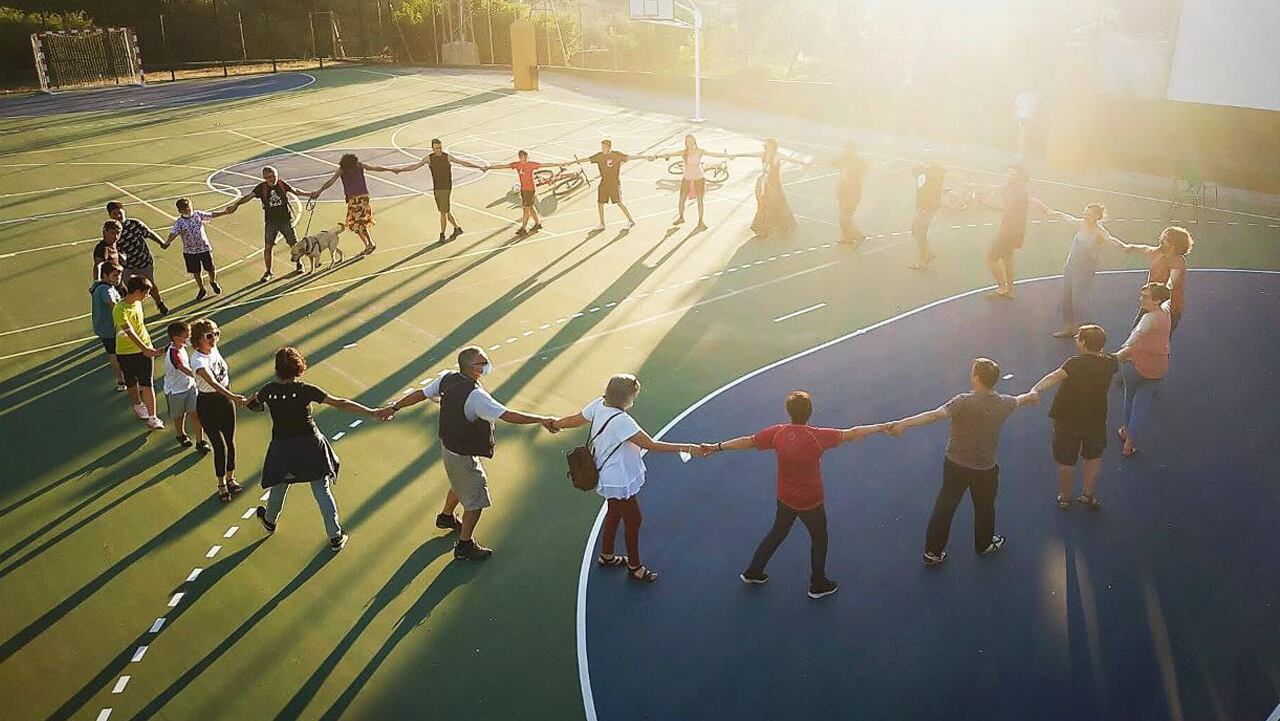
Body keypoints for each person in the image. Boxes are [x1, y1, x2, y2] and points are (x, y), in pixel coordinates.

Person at [378, 346, 560, 560]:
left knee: (459, 482)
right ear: (472, 368)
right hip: (461, 453)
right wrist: (541, 420)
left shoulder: (447, 378)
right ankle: (465, 546)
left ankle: (446, 517)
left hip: (449, 445)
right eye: (482, 363)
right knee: (476, 499)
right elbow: (507, 415)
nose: (486, 365)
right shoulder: (476, 396)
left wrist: (394, 407)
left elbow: (420, 394)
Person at [704, 390, 891, 599]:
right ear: (810, 412)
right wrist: (881, 427)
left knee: (778, 532)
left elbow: (748, 441)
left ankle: (753, 571)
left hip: (785, 497)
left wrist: (717, 447)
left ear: (789, 412)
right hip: (811, 500)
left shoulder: (778, 433)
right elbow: (853, 433)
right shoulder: (818, 436)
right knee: (819, 538)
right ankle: (818, 584)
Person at [550, 375, 707, 583]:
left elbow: (574, 420)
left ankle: (607, 556)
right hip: (618, 477)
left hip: (608, 473)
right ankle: (635, 567)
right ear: (627, 398)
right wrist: (688, 448)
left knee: (615, 511)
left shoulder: (599, 405)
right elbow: (650, 445)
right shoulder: (622, 421)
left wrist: (555, 424)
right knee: (634, 519)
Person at [888, 358, 1039, 565]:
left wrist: (903, 423)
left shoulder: (963, 401)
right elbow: (1020, 399)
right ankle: (984, 544)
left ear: (976, 378)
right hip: (984, 468)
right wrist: (1031, 396)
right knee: (985, 507)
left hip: (955, 464)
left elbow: (935, 415)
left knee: (945, 504)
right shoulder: (1005, 402)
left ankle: (933, 552)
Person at [250, 347, 383, 553]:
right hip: (310, 446)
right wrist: (371, 412)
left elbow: (252, 404)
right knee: (322, 489)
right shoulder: (305, 390)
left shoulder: (268, 391)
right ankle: (335, 536)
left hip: (283, 447)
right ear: (298, 368)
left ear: (277, 368)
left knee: (279, 485)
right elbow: (340, 403)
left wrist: (248, 400)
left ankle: (269, 520)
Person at [1029, 324, 1119, 509]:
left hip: (1067, 419)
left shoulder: (1074, 363)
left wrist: (1035, 389)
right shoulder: (1110, 363)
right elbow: (1122, 354)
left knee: (1066, 459)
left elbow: (1055, 376)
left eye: (1078, 337)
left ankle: (1065, 496)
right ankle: (1087, 493)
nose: (1076, 339)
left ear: (1084, 343)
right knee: (1093, 456)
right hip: (1096, 419)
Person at [1045, 203, 1130, 337]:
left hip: (1084, 270)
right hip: (1071, 266)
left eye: (1088, 214)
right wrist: (1057, 213)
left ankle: (1082, 330)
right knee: (1066, 296)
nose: (1085, 216)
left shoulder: (1099, 232)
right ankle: (1068, 327)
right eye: (1084, 213)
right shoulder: (1081, 224)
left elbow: (1111, 239)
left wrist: (1125, 246)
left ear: (1096, 216)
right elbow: (1069, 218)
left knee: (1078, 300)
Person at [224, 165, 319, 282]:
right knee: (268, 247)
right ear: (264, 178)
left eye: (273, 176)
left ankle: (299, 264)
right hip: (271, 222)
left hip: (285, 220)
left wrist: (310, 194)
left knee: (294, 244)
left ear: (277, 175)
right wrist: (236, 204)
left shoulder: (282, 184)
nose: (271, 179)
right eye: (268, 177)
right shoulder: (261, 188)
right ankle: (268, 271)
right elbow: (248, 197)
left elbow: (296, 191)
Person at [189, 318, 247, 501]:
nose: (214, 338)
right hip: (208, 404)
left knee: (230, 442)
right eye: (209, 335)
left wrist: (230, 397)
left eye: (216, 333)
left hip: (225, 402)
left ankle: (231, 478)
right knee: (219, 446)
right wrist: (234, 397)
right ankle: (221, 483)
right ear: (198, 339)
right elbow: (212, 383)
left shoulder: (213, 349)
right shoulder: (197, 360)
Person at [313, 153, 414, 255]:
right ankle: (368, 245)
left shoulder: (342, 170)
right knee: (357, 223)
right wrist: (391, 170)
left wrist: (319, 191)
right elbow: (376, 168)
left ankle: (370, 243)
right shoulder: (359, 166)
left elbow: (330, 182)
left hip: (355, 199)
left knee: (358, 223)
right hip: (363, 197)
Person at [1114, 283, 1172, 457]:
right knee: (1142, 404)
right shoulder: (1166, 312)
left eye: (1146, 297)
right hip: (1157, 367)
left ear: (1157, 300)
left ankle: (1125, 430)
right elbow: (1170, 290)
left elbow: (1136, 336)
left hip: (1134, 365)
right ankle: (1129, 444)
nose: (1141, 299)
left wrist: (1119, 353)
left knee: (1129, 396)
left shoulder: (1148, 318)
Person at [400, 139, 485, 243]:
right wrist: (401, 170)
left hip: (446, 188)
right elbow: (416, 166)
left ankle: (442, 234)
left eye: (440, 147)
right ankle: (457, 229)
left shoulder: (447, 156)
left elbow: (462, 162)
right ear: (432, 148)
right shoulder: (429, 158)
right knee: (445, 210)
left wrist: (479, 167)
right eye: (436, 148)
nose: (439, 150)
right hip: (437, 188)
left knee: (442, 213)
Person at [112, 275, 166, 429]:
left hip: (144, 350)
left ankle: (153, 417)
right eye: (145, 293)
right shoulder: (119, 309)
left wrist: (146, 349)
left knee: (147, 383)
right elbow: (129, 332)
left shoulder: (137, 303)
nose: (147, 296)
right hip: (126, 352)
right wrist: (145, 349)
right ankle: (137, 405)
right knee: (131, 382)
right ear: (136, 291)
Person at [1122, 226, 1193, 338]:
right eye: (1163, 236)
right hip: (1150, 302)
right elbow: (1145, 249)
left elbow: (1172, 281)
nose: (1161, 240)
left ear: (1174, 244)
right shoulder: (1158, 253)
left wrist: (1162, 292)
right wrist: (1131, 247)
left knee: (1158, 341)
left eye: (1166, 238)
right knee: (1136, 335)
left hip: (1168, 309)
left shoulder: (1178, 262)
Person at [657, 134, 733, 231]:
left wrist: (726, 155)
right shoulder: (684, 152)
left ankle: (701, 221)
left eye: (691, 141)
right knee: (681, 200)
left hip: (699, 179)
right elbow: (670, 154)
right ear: (686, 143)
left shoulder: (699, 151)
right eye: (688, 141)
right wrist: (656, 156)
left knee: (700, 201)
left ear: (694, 141)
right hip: (687, 179)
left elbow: (713, 154)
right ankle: (681, 217)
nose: (690, 143)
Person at [108, 201, 169, 315]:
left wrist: (161, 243)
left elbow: (149, 233)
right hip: (126, 266)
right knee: (127, 289)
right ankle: (131, 311)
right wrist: (121, 258)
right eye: (115, 214)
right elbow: (112, 247)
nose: (118, 216)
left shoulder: (134, 223)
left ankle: (159, 303)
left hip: (143, 261)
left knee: (149, 285)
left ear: (124, 211)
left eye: (120, 212)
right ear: (110, 215)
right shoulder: (112, 230)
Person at [166, 197, 230, 301]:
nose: (189, 210)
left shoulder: (198, 215)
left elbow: (211, 214)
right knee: (196, 271)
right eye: (186, 210)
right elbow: (173, 233)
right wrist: (168, 241)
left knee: (210, 268)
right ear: (180, 211)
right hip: (190, 251)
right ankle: (202, 289)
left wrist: (224, 212)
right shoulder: (179, 222)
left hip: (204, 248)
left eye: (190, 208)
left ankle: (213, 281)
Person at [484, 150, 562, 236]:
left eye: (526, 158)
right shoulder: (517, 165)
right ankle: (538, 224)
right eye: (522, 158)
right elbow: (503, 166)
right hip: (524, 190)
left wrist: (559, 164)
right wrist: (489, 167)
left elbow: (545, 164)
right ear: (519, 158)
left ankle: (523, 228)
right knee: (530, 207)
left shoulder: (531, 164)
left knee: (526, 209)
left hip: (530, 190)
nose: (524, 159)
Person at [985, 166, 1034, 299]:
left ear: (1019, 176)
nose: (1007, 175)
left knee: (991, 259)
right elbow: (1002, 187)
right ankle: (1010, 290)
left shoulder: (1018, 191)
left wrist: (986, 202)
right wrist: (993, 188)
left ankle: (1002, 287)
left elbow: (1005, 206)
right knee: (1007, 259)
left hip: (1009, 231)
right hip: (1016, 230)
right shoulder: (1015, 186)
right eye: (1007, 172)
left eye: (1011, 173)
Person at [162, 320, 205, 450]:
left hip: (190, 387)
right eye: (187, 335)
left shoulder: (174, 345)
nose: (189, 337)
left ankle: (200, 441)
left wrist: (152, 352)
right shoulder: (174, 353)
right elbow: (182, 367)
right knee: (179, 416)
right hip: (175, 391)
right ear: (177, 338)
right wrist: (199, 376)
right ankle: (180, 434)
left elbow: (161, 350)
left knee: (196, 413)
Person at [581, 139, 640, 230]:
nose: (603, 148)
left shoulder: (616, 155)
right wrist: (572, 162)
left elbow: (630, 157)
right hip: (604, 183)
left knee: (619, 202)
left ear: (609, 147)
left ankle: (631, 220)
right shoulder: (599, 156)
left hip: (614, 183)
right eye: (602, 147)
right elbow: (587, 159)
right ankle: (602, 224)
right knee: (600, 203)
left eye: (604, 147)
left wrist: (647, 157)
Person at [749, 138, 799, 240]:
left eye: (768, 146)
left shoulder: (777, 155)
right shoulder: (763, 154)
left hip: (773, 184)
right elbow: (746, 154)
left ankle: (769, 226)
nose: (767, 147)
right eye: (766, 146)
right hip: (765, 183)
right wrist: (728, 156)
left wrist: (803, 163)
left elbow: (791, 159)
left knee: (774, 204)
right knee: (764, 204)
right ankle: (764, 227)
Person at [90, 262, 127, 392]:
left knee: (114, 353)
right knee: (116, 354)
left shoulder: (100, 286)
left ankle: (122, 380)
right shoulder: (106, 289)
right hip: (110, 329)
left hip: (104, 327)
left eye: (119, 275)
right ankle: (122, 380)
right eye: (115, 275)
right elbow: (112, 303)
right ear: (105, 275)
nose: (118, 278)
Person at [909, 153, 945, 269]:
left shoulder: (923, 172)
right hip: (927, 205)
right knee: (916, 229)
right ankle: (927, 253)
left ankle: (922, 261)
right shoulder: (938, 170)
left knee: (919, 232)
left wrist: (918, 169)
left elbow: (917, 175)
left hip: (926, 206)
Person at [834, 142, 869, 246]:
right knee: (842, 218)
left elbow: (872, 168)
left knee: (845, 218)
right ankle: (847, 238)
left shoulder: (859, 163)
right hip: (843, 192)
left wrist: (890, 173)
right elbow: (829, 162)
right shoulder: (843, 160)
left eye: (847, 150)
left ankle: (858, 236)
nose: (845, 152)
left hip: (852, 194)